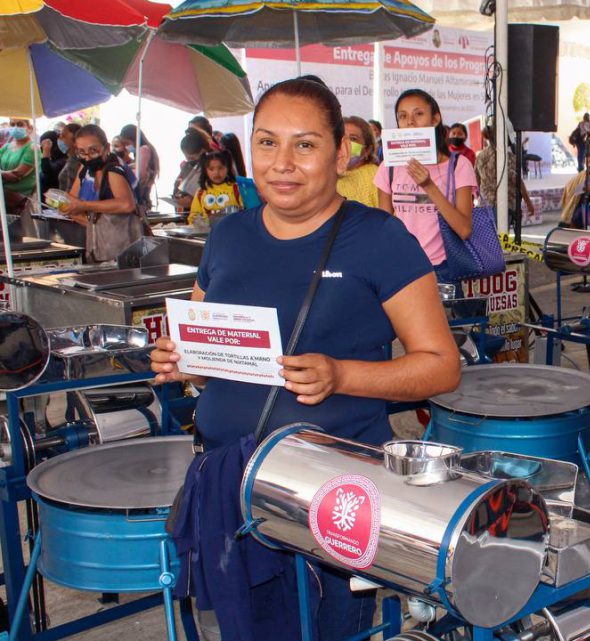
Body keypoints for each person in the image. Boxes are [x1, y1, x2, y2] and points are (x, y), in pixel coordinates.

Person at [150, 77, 461, 641]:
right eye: (267, 143)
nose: (282, 163)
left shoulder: (379, 239)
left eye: (305, 144)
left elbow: (441, 365)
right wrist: (183, 361)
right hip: (231, 484)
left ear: (341, 153)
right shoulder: (229, 236)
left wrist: (342, 375)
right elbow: (204, 355)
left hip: (332, 497)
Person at [376, 88, 475, 285]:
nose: (410, 122)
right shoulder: (389, 166)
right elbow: (385, 224)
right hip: (401, 267)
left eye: (418, 114)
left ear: (435, 119)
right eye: (402, 117)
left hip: (443, 269)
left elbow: (464, 229)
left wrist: (429, 185)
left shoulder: (458, 165)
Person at [60, 125, 143, 262]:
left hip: (124, 249)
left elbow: (127, 204)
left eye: (93, 150)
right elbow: (72, 201)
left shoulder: (113, 170)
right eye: (81, 152)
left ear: (107, 148)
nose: (87, 157)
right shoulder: (84, 169)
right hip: (99, 245)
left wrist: (83, 206)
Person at [475, 125, 536, 225]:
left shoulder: (480, 156)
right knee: (501, 237)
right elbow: (517, 181)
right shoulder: (508, 157)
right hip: (504, 205)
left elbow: (476, 178)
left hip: (484, 205)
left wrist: (481, 196)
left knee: (489, 237)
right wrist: (528, 202)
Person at [188, 150, 243, 227]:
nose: (216, 172)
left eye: (220, 168)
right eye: (211, 169)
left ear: (227, 168)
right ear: (205, 170)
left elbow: (246, 214)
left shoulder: (237, 189)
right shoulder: (201, 192)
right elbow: (193, 217)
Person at [336, 116, 381, 208]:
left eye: (353, 139)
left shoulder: (377, 177)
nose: (345, 144)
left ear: (367, 150)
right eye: (341, 137)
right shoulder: (325, 176)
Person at [120, 125, 159, 211]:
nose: (127, 147)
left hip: (141, 195)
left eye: (127, 143)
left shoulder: (144, 149)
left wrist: (124, 171)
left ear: (134, 139)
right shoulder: (148, 149)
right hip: (145, 195)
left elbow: (139, 174)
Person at [1, 119, 37, 209]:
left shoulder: (32, 148)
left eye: (20, 124)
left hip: (17, 199)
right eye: (12, 124)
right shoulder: (7, 147)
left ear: (30, 128)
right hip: (3, 195)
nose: (15, 127)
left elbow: (15, 175)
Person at [174, 132, 211, 213]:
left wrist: (192, 200)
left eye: (191, 158)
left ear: (202, 151)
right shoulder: (187, 166)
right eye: (187, 158)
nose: (189, 161)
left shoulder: (210, 166)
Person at [57, 123, 83, 193]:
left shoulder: (75, 161)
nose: (59, 139)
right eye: (60, 135)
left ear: (75, 141)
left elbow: (71, 192)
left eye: (63, 136)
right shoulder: (71, 159)